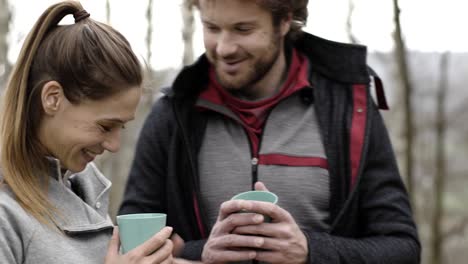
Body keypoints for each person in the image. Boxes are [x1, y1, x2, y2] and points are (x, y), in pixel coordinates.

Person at [119, 0, 421, 263]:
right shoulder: (172, 113)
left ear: (285, 20)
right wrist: (202, 254)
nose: (224, 48)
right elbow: (132, 247)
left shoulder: (349, 108)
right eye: (211, 27)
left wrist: (311, 251)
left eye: (243, 29)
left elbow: (402, 248)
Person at [0, 1, 174, 263]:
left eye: (121, 127)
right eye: (105, 126)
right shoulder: (6, 215)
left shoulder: (85, 190)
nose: (115, 145)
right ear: (53, 98)